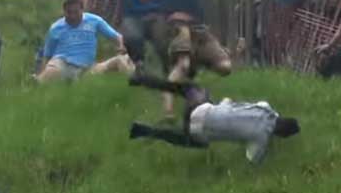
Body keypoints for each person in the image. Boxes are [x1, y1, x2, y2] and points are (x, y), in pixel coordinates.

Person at [126, 74, 300, 164]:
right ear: (280, 135)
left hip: (200, 109)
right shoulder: (261, 138)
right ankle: (143, 130)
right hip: (198, 132)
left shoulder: (265, 108)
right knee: (190, 141)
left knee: (190, 88)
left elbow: (263, 106)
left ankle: (142, 79)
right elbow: (252, 159)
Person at [34, 0, 134, 82]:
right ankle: (37, 83)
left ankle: (135, 87)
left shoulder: (94, 21)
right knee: (53, 69)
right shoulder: (56, 28)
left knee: (122, 60)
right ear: (64, 11)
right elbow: (47, 56)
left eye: (76, 12)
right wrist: (43, 71)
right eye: (69, 12)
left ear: (82, 10)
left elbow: (117, 37)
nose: (72, 16)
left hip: (88, 69)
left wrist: (122, 45)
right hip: (63, 65)